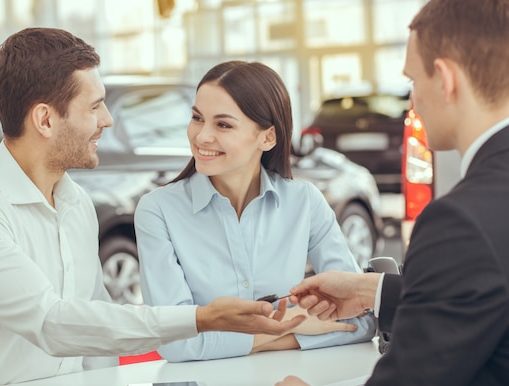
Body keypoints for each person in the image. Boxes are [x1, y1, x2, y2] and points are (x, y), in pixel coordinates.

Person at [0, 28, 305, 386]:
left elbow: (96, 333)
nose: (107, 119)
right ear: (45, 120)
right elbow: (52, 323)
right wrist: (201, 318)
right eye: (94, 107)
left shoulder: (75, 203)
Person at [265, 0, 509, 386]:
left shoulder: (460, 221)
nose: (412, 98)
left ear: (446, 78)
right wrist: (372, 291)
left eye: (413, 79)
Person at [134, 61, 375, 362]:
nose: (201, 136)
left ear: (268, 137)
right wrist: (289, 330)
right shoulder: (158, 211)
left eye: (223, 124)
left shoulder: (305, 202)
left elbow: (361, 321)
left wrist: (229, 339)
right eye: (197, 118)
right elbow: (175, 342)